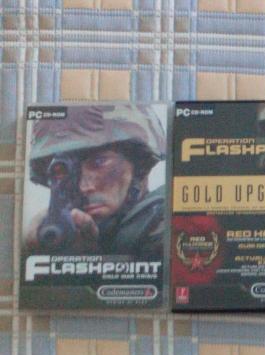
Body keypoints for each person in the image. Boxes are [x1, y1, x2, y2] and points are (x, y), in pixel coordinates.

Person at [24, 105, 166, 257]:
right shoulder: (59, 233)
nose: (83, 187)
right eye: (62, 171)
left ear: (139, 165)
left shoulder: (165, 221)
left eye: (99, 162)